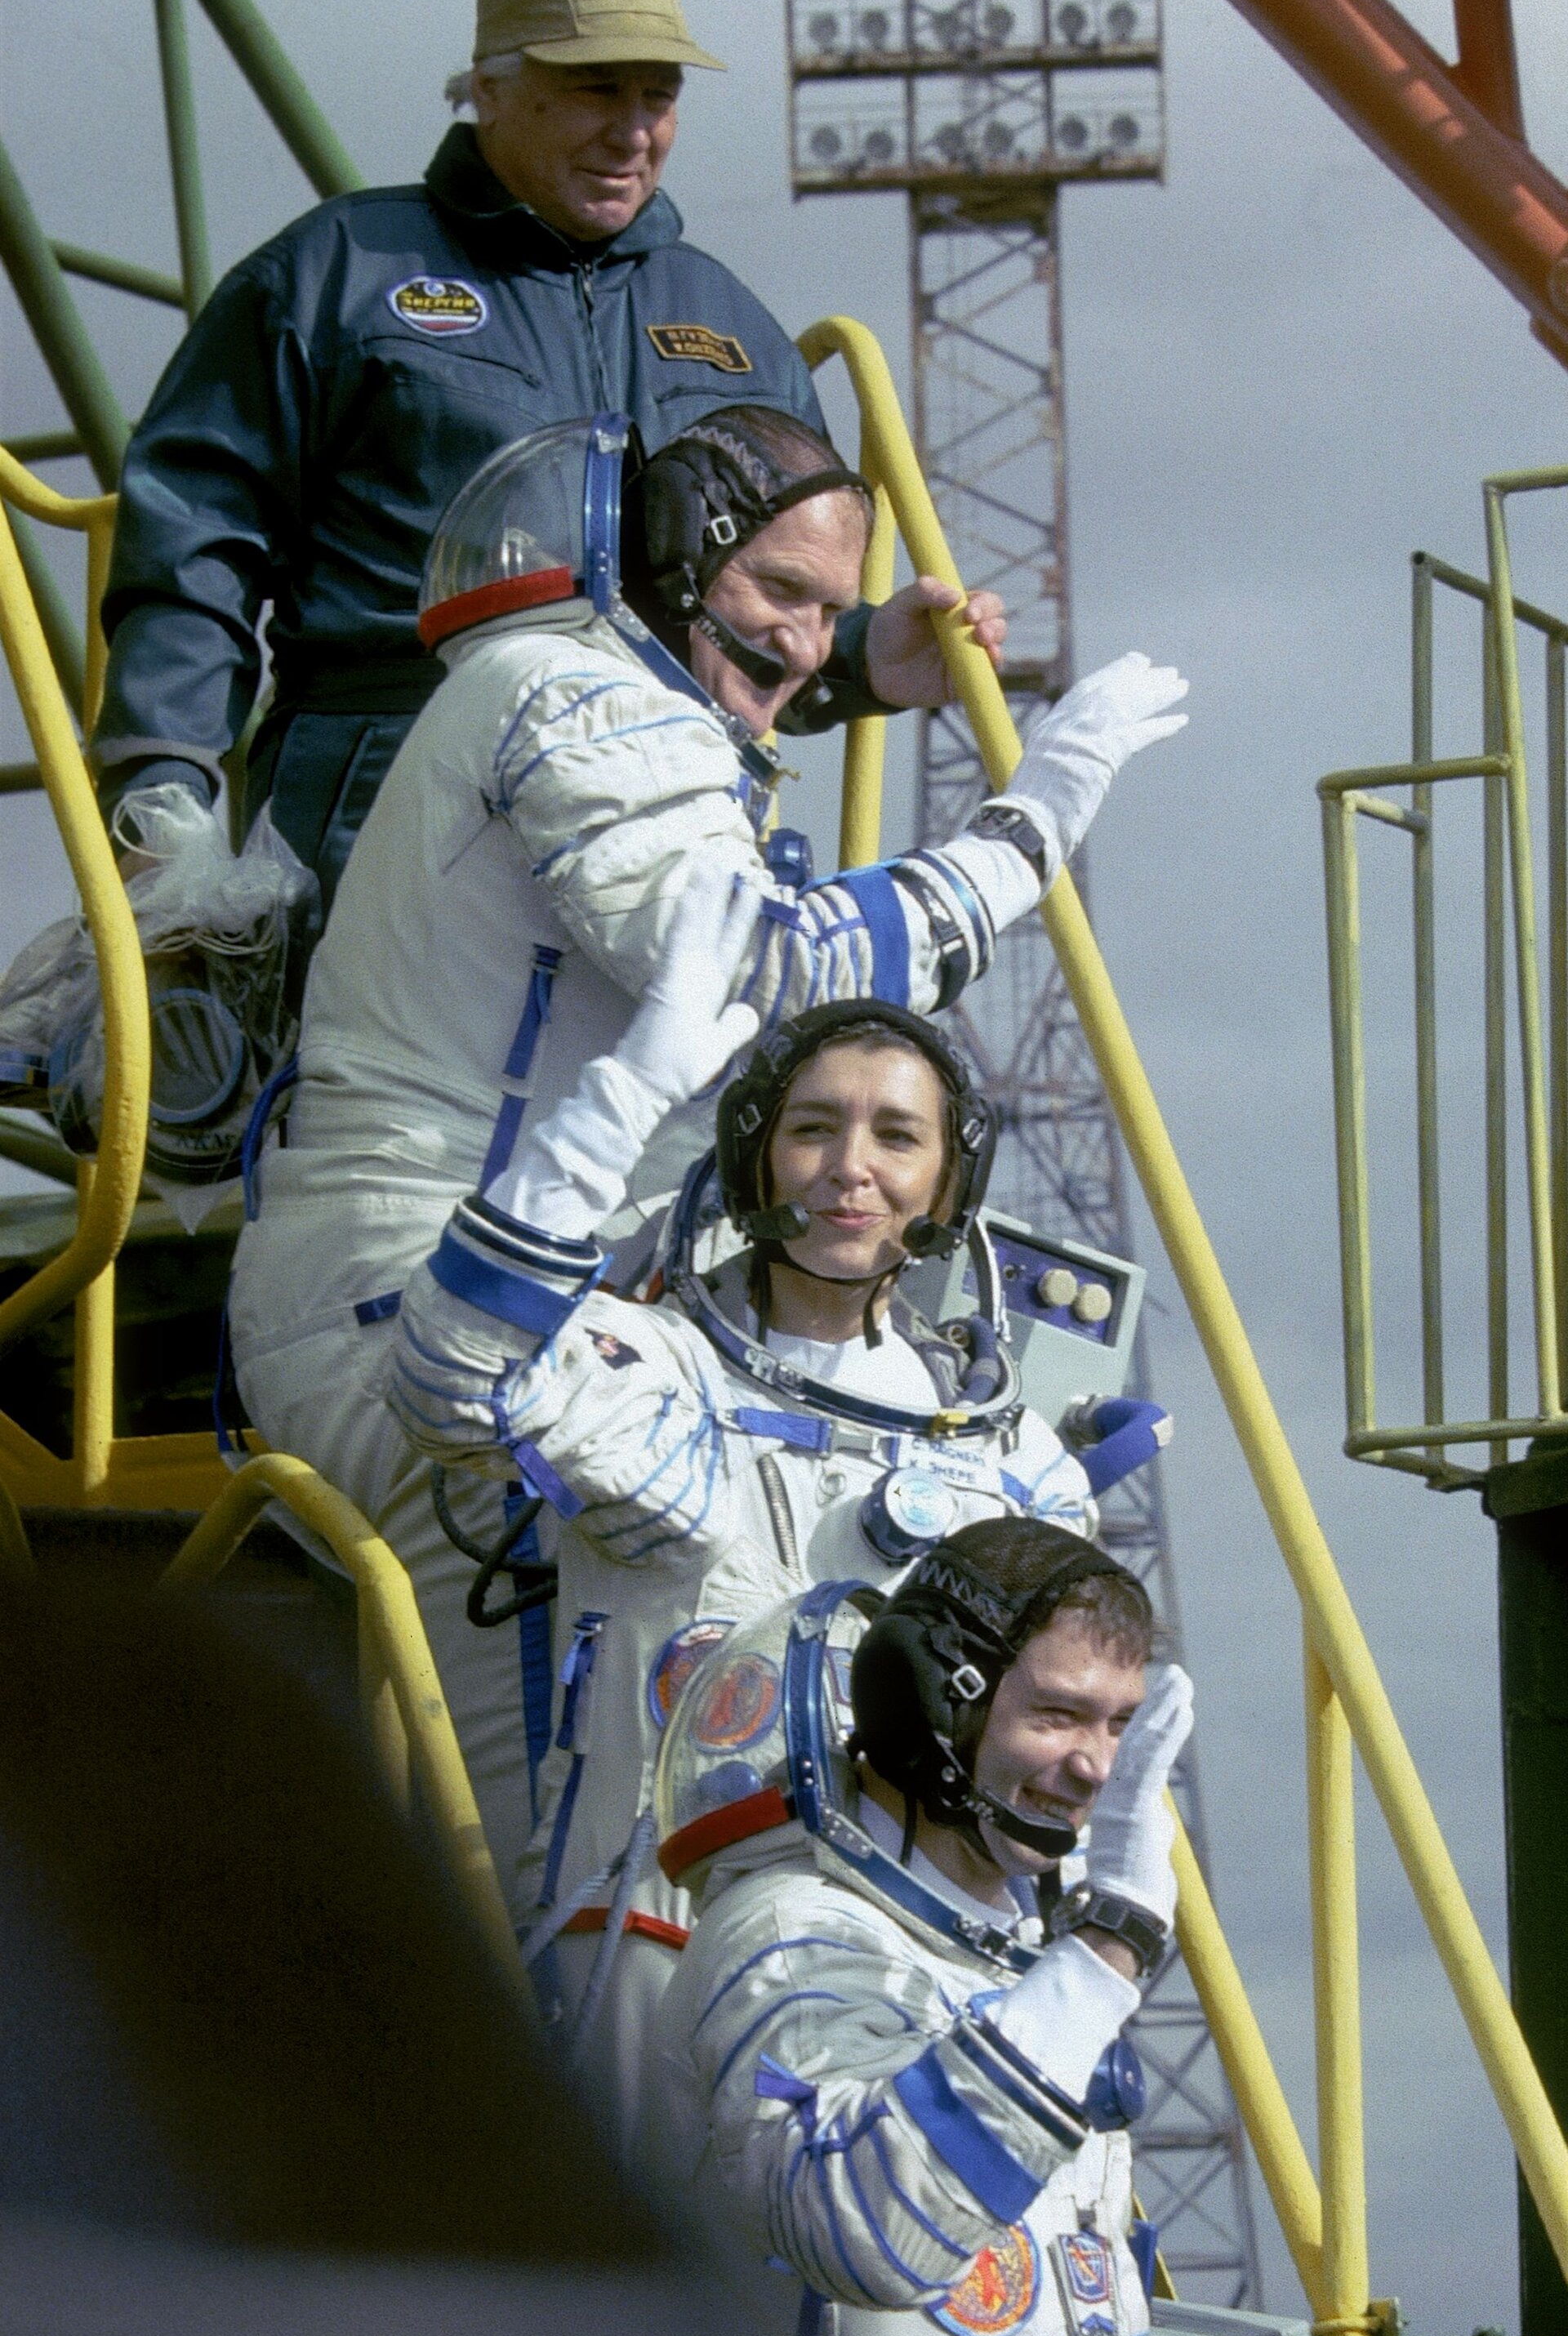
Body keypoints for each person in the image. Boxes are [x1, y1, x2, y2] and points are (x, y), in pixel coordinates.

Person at [227, 400, 1186, 1941]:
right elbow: (757, 962)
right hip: (428, 1295)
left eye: (830, 610)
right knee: (572, 1811)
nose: (806, 647)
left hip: (499, 1281)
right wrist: (1029, 828)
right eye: (781, 598)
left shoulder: (597, 699)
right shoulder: (568, 697)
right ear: (671, 569)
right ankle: (549, 2127)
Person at [386, 904, 1112, 2150]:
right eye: (813, 1129)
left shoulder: (1012, 1463)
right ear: (753, 1154)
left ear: (949, 1180)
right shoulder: (649, 1369)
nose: (851, 1170)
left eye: (898, 1137)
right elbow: (449, 1373)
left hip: (932, 1963)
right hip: (662, 1923)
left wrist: (1079, 1981)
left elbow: (1057, 1759)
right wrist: (626, 1090)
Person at [91, 0, 1005, 905]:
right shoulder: (336, 276)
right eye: (595, 88)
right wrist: (162, 795)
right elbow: (195, 545)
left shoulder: (738, 333)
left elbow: (758, 619)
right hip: (389, 805)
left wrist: (865, 656)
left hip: (672, 818)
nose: (633, 131)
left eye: (658, 95)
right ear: (488, 89)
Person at [648, 1518, 1194, 2336]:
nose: (1096, 1767)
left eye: (1119, 1724)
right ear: (928, 1700)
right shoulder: (787, 1934)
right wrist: (1107, 1946)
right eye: (1058, 1714)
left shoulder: (1016, 1960)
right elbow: (865, 2233)